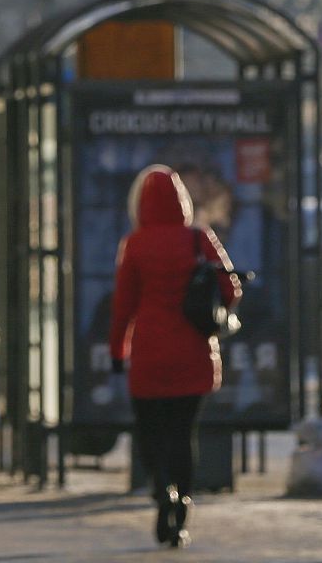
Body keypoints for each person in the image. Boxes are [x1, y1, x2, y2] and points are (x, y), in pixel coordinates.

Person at [109, 164, 242, 549]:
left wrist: (119, 350)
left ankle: (160, 490)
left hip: (149, 353)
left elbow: (124, 306)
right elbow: (230, 289)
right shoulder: (199, 239)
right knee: (184, 434)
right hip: (192, 353)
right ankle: (181, 503)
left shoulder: (134, 244)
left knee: (151, 433)